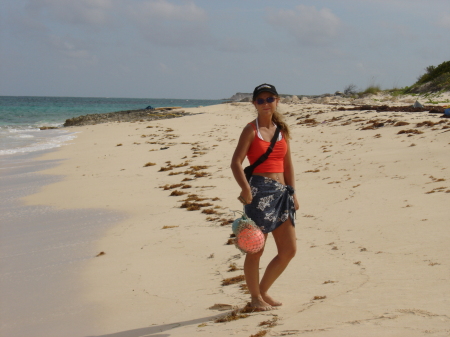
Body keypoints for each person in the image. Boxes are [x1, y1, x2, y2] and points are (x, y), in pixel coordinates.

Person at [230, 83, 300, 311]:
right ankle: (254, 298)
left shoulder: (282, 131)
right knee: (256, 249)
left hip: (282, 195)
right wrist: (245, 189)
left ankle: (262, 291)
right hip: (259, 194)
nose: (265, 103)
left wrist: (293, 193)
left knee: (289, 250)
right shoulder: (250, 130)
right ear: (254, 104)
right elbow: (236, 163)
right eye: (260, 100)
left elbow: (288, 165)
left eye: (269, 99)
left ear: (277, 100)